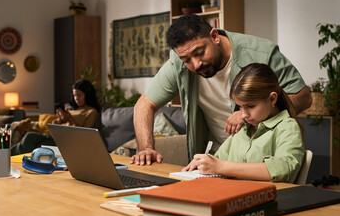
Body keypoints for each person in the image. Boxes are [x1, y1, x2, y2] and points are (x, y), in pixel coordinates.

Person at [130, 14, 311, 166]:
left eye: (200, 52)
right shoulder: (179, 63)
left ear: (215, 36)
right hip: (218, 160)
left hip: (261, 159)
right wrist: (146, 148)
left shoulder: (262, 53)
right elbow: (144, 105)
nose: (196, 64)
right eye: (186, 59)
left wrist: (245, 113)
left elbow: (303, 97)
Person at [182, 63, 305, 183]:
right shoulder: (243, 129)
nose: (244, 115)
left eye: (250, 106)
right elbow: (218, 160)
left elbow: (284, 168)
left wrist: (220, 166)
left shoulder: (287, 127)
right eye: (240, 107)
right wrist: (202, 163)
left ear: (272, 99)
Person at [11, 79, 100, 155]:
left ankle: (5, 157)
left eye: (79, 95)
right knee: (30, 138)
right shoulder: (73, 109)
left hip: (68, 142)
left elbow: (85, 136)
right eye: (74, 95)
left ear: (87, 94)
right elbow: (59, 126)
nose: (76, 98)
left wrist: (71, 121)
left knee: (30, 137)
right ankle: (5, 156)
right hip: (57, 136)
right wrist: (59, 120)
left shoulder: (91, 112)